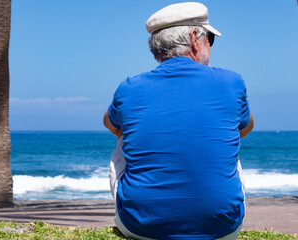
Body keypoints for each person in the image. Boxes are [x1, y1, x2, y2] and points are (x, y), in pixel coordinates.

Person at [104, 2, 254, 239]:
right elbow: (246, 127)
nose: (210, 48)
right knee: (230, 135)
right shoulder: (231, 82)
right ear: (194, 37)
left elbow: (110, 125)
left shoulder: (129, 87)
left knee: (124, 134)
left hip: (141, 228)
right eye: (210, 40)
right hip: (222, 229)